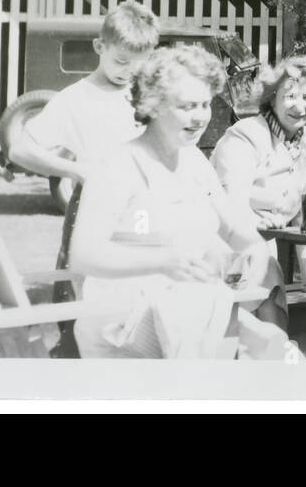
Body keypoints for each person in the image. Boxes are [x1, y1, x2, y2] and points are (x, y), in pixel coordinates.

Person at [69, 45, 290, 359]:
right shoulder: (119, 165)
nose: (200, 116)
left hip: (186, 312)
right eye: (187, 106)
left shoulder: (194, 163)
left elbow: (234, 230)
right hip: (123, 322)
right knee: (252, 348)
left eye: (204, 104)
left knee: (272, 346)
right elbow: (83, 256)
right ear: (154, 105)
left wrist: (254, 250)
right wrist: (163, 262)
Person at [8, 1, 159, 357]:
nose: (128, 73)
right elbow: (19, 149)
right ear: (99, 47)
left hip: (142, 213)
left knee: (139, 312)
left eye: (139, 65)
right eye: (121, 62)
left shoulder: (148, 95)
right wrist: (77, 171)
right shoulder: (75, 99)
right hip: (94, 211)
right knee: (82, 309)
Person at [209, 54, 306, 231]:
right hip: (228, 238)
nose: (299, 107)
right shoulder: (244, 136)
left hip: (271, 240)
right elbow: (231, 202)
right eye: (290, 96)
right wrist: (253, 225)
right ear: (272, 100)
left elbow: (304, 219)